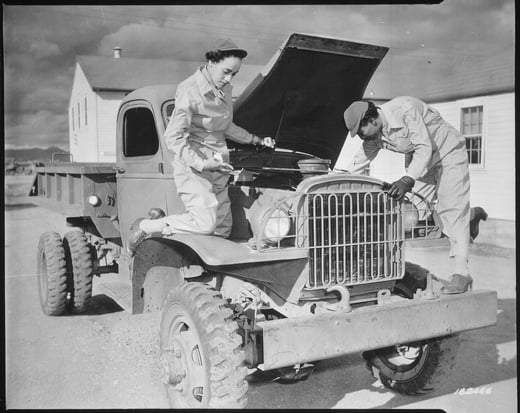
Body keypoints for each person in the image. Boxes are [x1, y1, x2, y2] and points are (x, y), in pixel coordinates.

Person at [126, 38, 275, 256]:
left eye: (234, 74)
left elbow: (225, 126)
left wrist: (256, 140)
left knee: (222, 229)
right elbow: (173, 137)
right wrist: (202, 164)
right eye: (226, 71)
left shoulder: (223, 90)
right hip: (194, 167)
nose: (229, 78)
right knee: (205, 224)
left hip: (219, 165)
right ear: (211, 62)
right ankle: (146, 227)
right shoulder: (190, 91)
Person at [343, 97, 488, 294]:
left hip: (448, 153)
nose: (361, 137)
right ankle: (469, 216)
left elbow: (424, 147)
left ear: (372, 121)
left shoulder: (404, 110)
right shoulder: (374, 136)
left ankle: (462, 274)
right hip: (423, 163)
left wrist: (407, 179)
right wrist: (341, 181)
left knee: (451, 209)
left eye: (360, 132)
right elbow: (359, 162)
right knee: (413, 215)